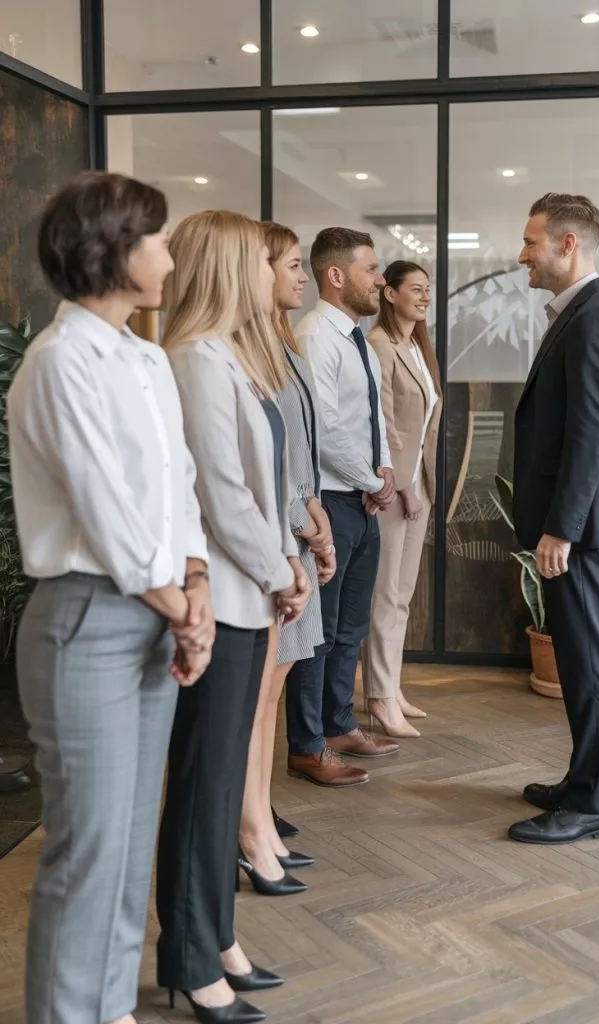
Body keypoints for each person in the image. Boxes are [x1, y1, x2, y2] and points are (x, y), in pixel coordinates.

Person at [9, 171, 214, 1024]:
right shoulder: (58, 362)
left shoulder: (143, 359)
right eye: (159, 240)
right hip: (88, 617)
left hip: (157, 608)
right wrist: (181, 606)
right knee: (86, 851)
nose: (170, 258)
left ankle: (109, 1008)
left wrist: (196, 584)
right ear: (113, 250)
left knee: (131, 845)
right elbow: (105, 509)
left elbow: (179, 490)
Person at [155, 210, 312, 1024]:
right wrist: (282, 567)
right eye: (261, 262)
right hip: (225, 595)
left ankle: (214, 934)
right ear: (227, 268)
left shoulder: (225, 359)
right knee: (205, 784)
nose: (274, 276)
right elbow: (220, 493)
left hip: (251, 595)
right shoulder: (195, 361)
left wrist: (280, 569)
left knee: (219, 787)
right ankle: (188, 954)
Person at [509, 193, 599, 846]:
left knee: (588, 666)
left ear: (566, 245)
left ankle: (592, 803)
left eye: (531, 241)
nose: (521, 253)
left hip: (579, 529)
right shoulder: (577, 314)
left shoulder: (596, 319)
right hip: (575, 524)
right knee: (582, 662)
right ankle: (581, 779)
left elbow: (589, 436)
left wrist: (559, 528)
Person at [286, 227, 400, 789]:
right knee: (320, 631)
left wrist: (384, 474)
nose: (382, 280)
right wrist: (370, 479)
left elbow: (369, 419)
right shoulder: (315, 336)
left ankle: (337, 725)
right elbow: (322, 429)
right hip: (331, 499)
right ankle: (307, 745)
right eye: (372, 269)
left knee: (350, 627)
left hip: (361, 499)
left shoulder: (357, 338)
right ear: (337, 276)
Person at [239, 222, 335, 886]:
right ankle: (249, 826)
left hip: (296, 528)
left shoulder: (284, 345)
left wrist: (311, 511)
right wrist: (306, 521)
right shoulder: (240, 353)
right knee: (260, 689)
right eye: (293, 266)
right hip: (277, 538)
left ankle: (258, 816)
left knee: (274, 685)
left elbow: (296, 450)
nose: (302, 277)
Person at [363, 261, 442, 737]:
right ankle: (377, 697)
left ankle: (391, 688)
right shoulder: (379, 345)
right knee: (386, 595)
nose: (424, 297)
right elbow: (386, 425)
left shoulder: (416, 346)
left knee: (403, 597)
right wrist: (408, 490)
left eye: (427, 290)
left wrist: (423, 488)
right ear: (389, 293)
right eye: (415, 289)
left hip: (422, 487)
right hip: (397, 490)